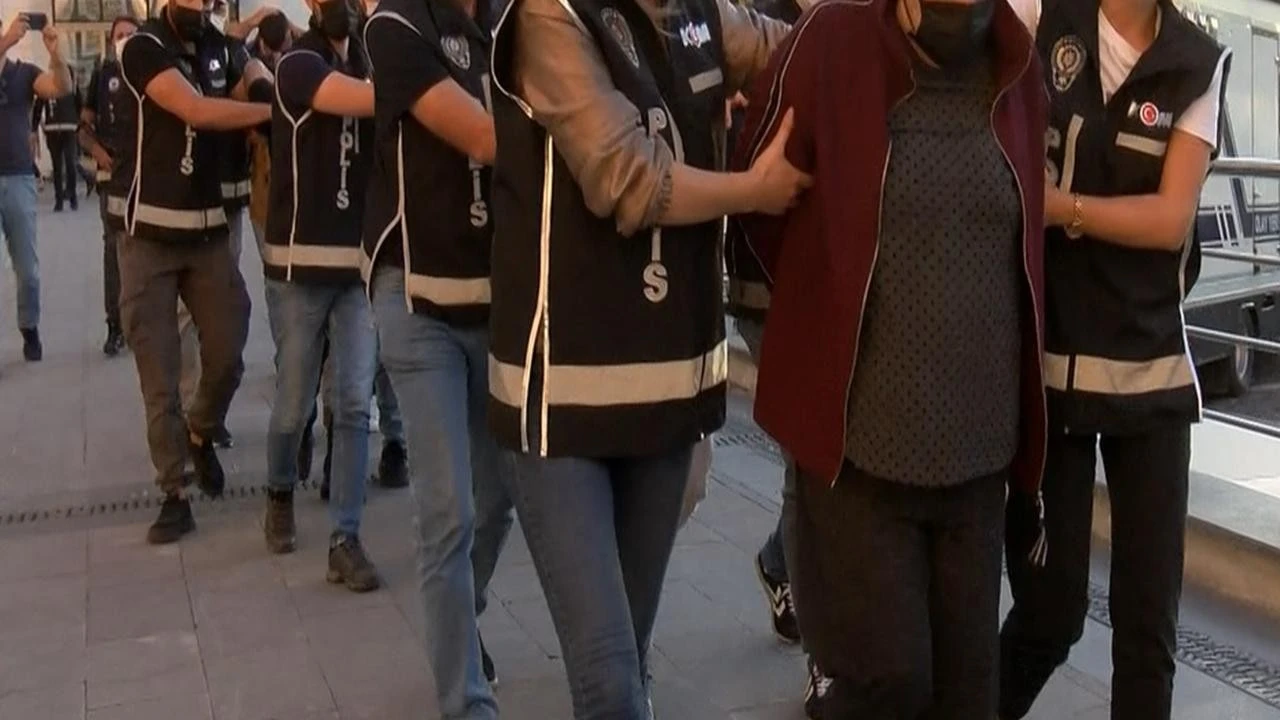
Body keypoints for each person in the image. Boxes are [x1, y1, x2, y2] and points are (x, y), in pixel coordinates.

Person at [733, 0, 1048, 716]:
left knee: (968, 695)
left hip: (978, 456)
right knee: (888, 685)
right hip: (862, 454)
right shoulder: (833, 42)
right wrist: (828, 318)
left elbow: (1026, 246)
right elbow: (763, 203)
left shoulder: (1017, 66)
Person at [489, 0, 803, 712]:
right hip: (562, 401)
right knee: (608, 679)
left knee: (629, 656)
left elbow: (795, 52)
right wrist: (754, 192)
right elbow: (626, 179)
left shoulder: (701, 13)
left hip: (666, 391)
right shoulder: (551, 15)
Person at [998, 2, 1230, 719]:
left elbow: (1169, 220)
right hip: (1050, 373)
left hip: (1150, 375)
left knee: (1147, 630)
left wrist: (1062, 208)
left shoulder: (1196, 62)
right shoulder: (1042, 16)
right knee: (1050, 611)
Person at [362, 0, 516, 713]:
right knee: (448, 510)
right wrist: (594, 129)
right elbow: (482, 135)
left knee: (499, 499)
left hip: (497, 302)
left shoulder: (512, 20)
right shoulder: (397, 23)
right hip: (416, 299)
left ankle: (461, 618)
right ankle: (466, 700)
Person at [117, 0, 272, 544]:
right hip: (149, 238)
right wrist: (273, 111)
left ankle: (202, 431)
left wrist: (263, 82)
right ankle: (174, 493)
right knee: (160, 374)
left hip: (207, 234)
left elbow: (252, 71)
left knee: (229, 351)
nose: (201, 4)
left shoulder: (219, 46)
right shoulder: (141, 47)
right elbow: (195, 110)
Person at [261, 0, 383, 591]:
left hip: (356, 270)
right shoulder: (298, 64)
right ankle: (279, 490)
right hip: (299, 267)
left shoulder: (370, 58)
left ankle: (345, 537)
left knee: (355, 402)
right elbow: (363, 100)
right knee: (294, 402)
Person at [0, 15, 72, 365]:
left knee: (28, 271)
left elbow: (61, 87)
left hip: (18, 177)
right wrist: (6, 42)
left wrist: (56, 54)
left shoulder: (23, 73)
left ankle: (29, 326)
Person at [81, 15, 140, 358]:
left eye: (131, 34)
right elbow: (83, 128)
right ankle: (115, 325)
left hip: (146, 176)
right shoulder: (103, 76)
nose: (125, 39)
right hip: (112, 178)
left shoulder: (153, 72)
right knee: (114, 250)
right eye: (120, 35)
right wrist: (97, 151)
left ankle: (143, 322)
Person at [33, 87, 79, 211]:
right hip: (53, 129)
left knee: (70, 162)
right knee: (57, 166)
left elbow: (78, 102)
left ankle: (72, 194)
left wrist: (78, 123)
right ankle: (59, 199)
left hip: (68, 128)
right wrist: (34, 127)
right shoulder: (47, 85)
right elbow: (39, 105)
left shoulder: (70, 84)